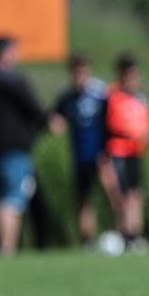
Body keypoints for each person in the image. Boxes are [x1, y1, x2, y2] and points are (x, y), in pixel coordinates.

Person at [0, 36, 50, 256]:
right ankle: (6, 249)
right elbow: (33, 109)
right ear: (5, 53)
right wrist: (48, 121)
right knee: (12, 197)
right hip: (13, 149)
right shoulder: (10, 81)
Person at [52, 55, 118, 249]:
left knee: (112, 193)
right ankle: (87, 240)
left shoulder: (100, 94)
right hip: (79, 155)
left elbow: (113, 119)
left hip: (102, 154)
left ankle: (124, 233)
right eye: (76, 71)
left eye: (83, 71)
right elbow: (56, 118)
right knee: (84, 199)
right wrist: (56, 123)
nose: (80, 75)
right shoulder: (67, 97)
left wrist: (108, 149)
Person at [104, 53, 149, 252]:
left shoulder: (140, 98)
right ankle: (124, 233)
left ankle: (135, 234)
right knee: (120, 193)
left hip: (136, 150)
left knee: (135, 192)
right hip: (118, 150)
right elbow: (109, 124)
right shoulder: (111, 95)